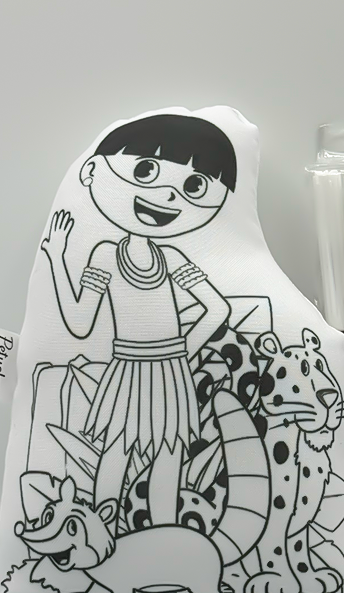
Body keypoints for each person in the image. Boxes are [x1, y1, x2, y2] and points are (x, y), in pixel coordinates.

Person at [41, 113, 237, 526]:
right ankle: (100, 539)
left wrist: (180, 352)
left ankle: (163, 541)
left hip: (169, 373)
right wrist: (57, 259)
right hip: (129, 372)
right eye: (146, 171)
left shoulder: (173, 258)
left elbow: (218, 308)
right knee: (117, 454)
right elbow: (79, 323)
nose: (167, 195)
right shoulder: (106, 256)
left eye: (193, 186)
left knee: (167, 458)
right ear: (93, 172)